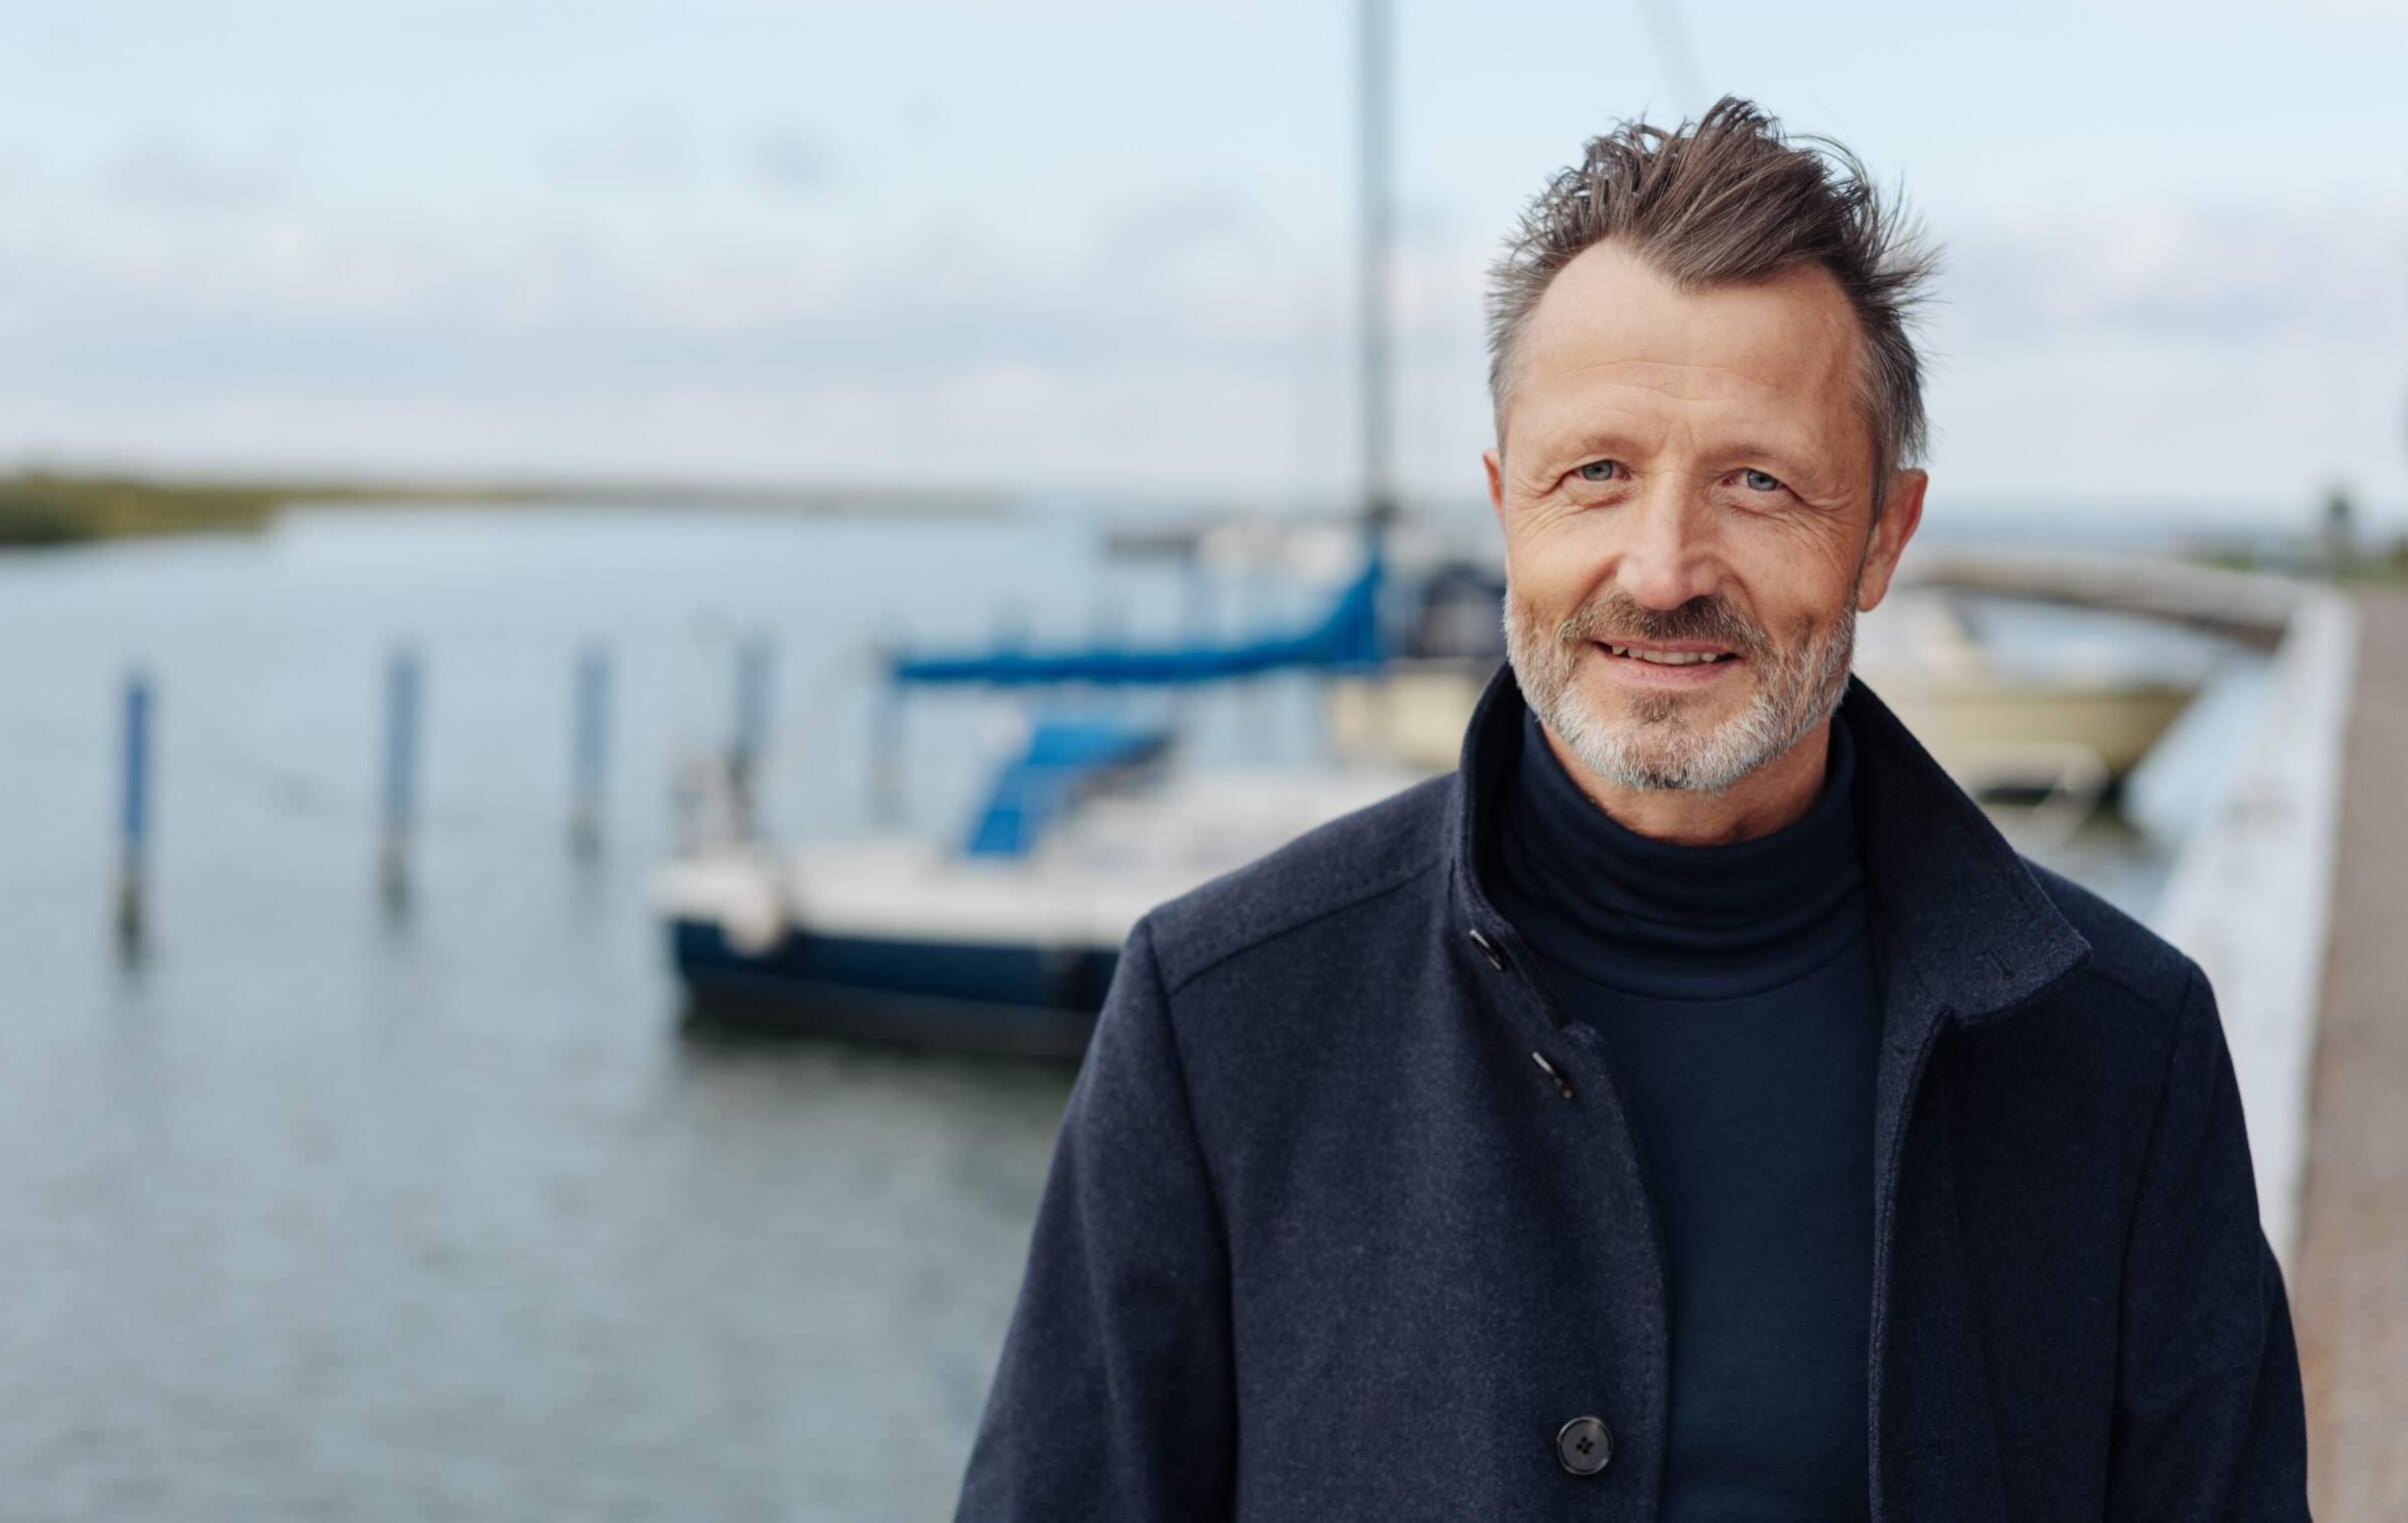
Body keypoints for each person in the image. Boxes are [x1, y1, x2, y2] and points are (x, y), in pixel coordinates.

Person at [956, 99, 2308, 1522]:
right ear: (1503, 508)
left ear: (1882, 538)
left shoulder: (2119, 1054)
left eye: (1759, 482)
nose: (1663, 568)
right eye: (1594, 473)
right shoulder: (1220, 1019)